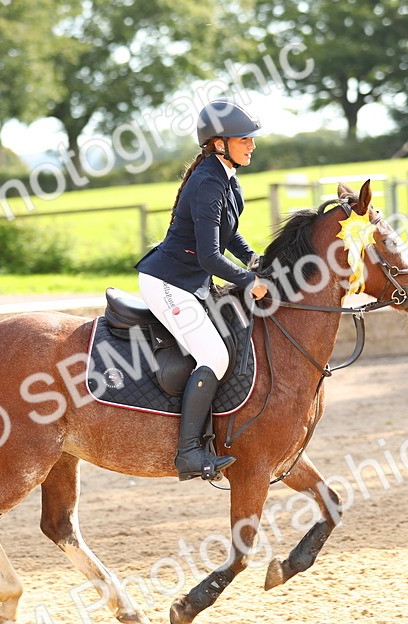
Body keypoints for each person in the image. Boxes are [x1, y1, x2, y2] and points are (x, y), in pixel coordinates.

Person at [135, 98, 269, 481]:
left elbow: (229, 235)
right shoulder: (208, 182)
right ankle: (189, 453)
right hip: (168, 283)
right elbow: (210, 257)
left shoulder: (226, 177)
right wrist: (249, 282)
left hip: (190, 282)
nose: (252, 145)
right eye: (244, 138)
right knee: (215, 355)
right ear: (218, 142)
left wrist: (254, 260)